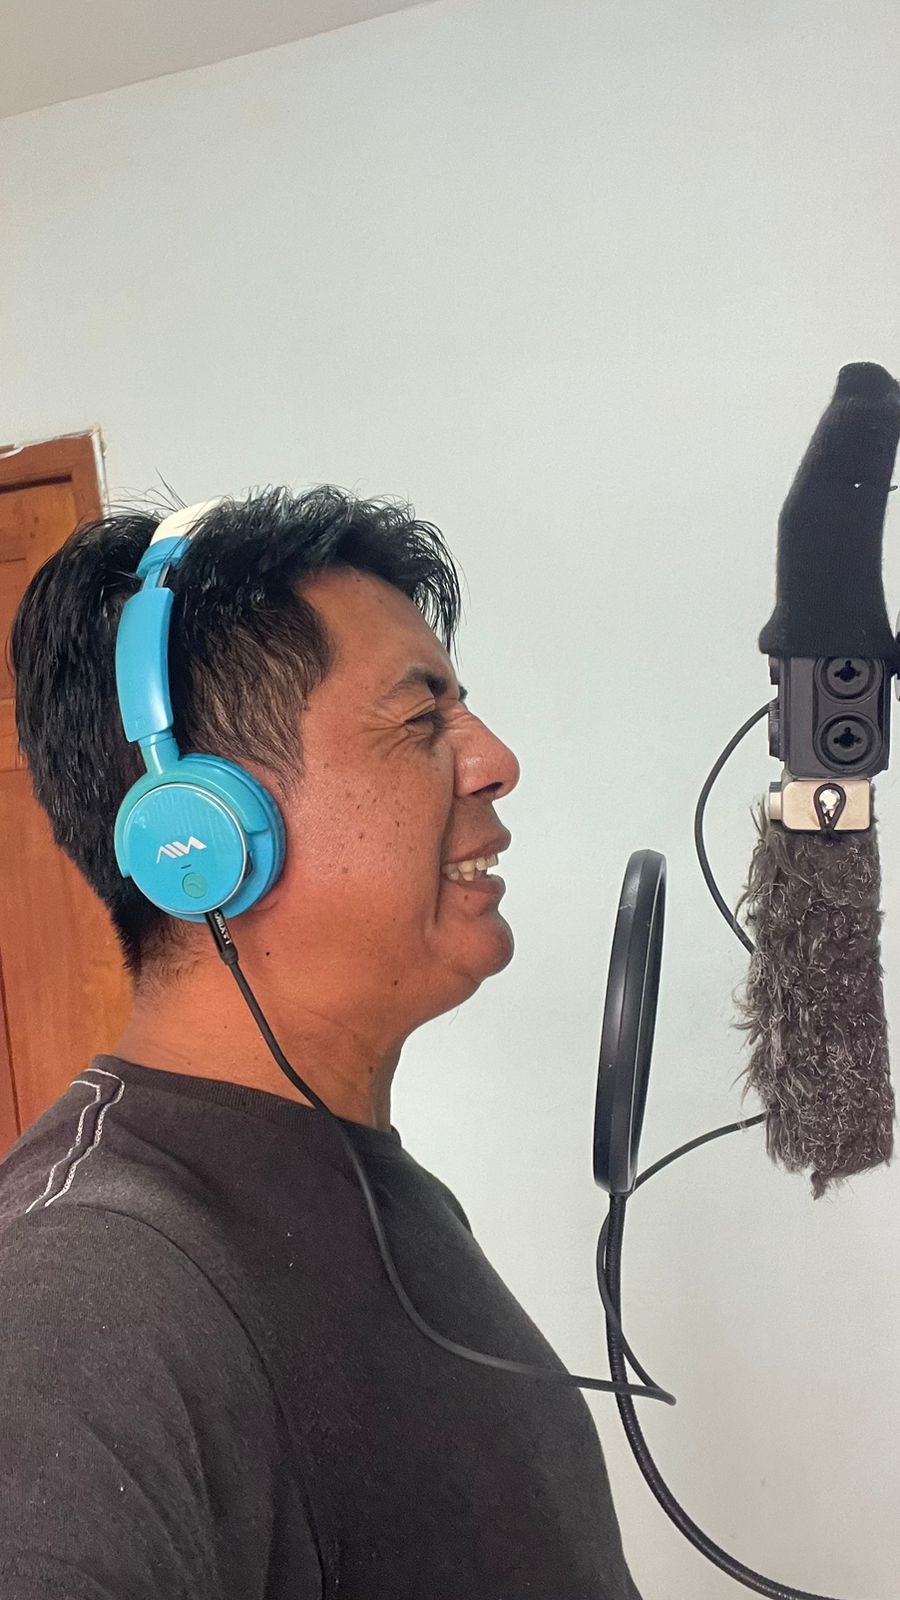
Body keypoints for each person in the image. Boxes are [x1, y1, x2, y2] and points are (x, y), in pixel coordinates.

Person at [1, 488, 641, 1599]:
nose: (496, 761)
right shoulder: (82, 1287)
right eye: (422, 718)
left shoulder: (377, 1192)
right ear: (199, 831)